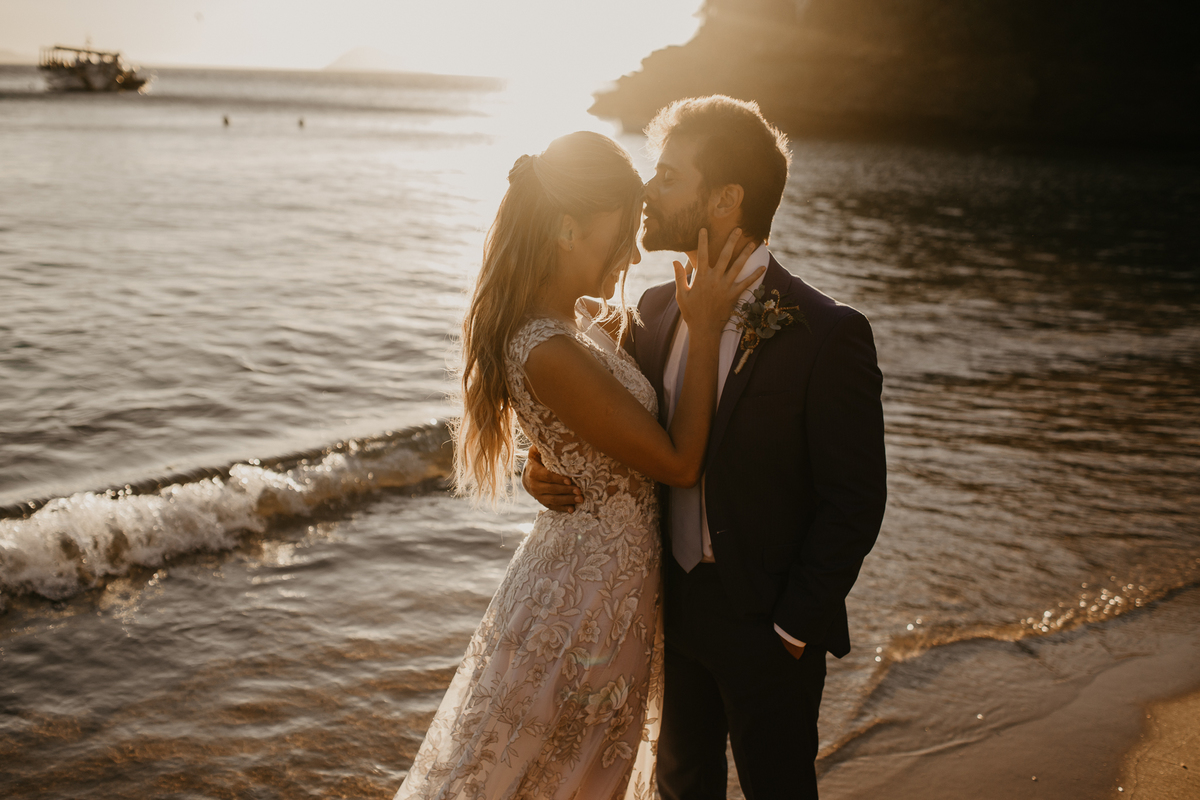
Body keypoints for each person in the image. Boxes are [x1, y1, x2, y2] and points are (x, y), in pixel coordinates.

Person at [523, 97, 887, 799]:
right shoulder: (651, 314)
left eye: (666, 177)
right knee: (680, 787)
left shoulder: (826, 333)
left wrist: (791, 626)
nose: (644, 193)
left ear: (725, 199)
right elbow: (588, 415)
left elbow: (855, 500)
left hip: (767, 620)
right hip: (669, 608)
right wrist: (537, 465)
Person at [394, 130, 764, 800]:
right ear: (566, 228)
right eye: (617, 233)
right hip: (589, 602)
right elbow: (679, 463)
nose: (629, 252)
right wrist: (705, 328)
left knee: (562, 767)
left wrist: (547, 455)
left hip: (600, 580)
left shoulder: (575, 325)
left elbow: (587, 425)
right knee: (563, 772)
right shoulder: (545, 345)